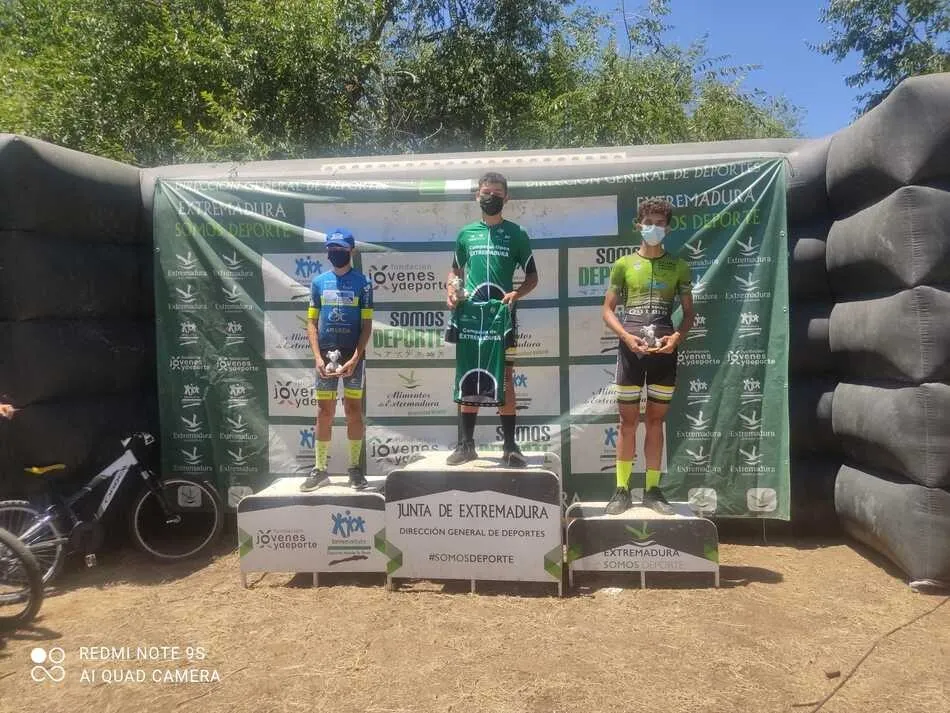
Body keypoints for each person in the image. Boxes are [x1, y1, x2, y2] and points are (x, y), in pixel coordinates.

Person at [602, 198, 694, 515]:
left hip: (664, 351)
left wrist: (677, 337)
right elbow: (607, 310)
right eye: (649, 222)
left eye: (660, 223)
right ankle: (622, 490)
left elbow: (690, 314)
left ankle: (653, 491)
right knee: (626, 422)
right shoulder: (623, 265)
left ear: (668, 228)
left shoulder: (679, 266)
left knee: (656, 422)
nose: (654, 227)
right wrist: (626, 337)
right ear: (638, 225)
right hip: (631, 349)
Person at [445, 172, 538, 467]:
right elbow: (455, 271)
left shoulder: (517, 234)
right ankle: (466, 445)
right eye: (486, 192)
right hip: (471, 316)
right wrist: (451, 289)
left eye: (497, 193)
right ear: (477, 196)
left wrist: (517, 294)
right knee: (468, 374)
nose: (491, 197)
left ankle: (510, 446)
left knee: (506, 378)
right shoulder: (465, 234)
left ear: (506, 197)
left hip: (502, 317)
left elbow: (533, 277)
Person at [301, 228, 373, 492]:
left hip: (353, 355)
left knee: (353, 410)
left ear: (351, 251)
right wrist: (317, 357)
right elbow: (311, 322)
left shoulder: (363, 284)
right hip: (325, 354)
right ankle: (320, 469)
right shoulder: (319, 282)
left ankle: (354, 468)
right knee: (324, 412)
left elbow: (367, 325)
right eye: (331, 248)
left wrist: (355, 357)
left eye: (340, 248)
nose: (335, 252)